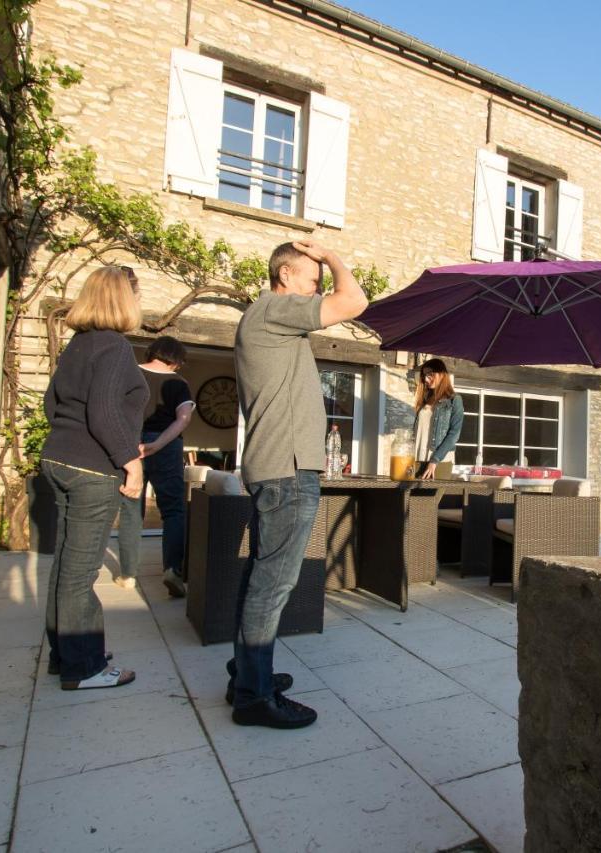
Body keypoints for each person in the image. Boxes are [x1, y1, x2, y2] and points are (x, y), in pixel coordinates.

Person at [229, 240, 367, 728]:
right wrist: (332, 254)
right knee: (273, 584)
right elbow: (353, 302)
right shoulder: (273, 309)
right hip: (286, 471)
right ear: (285, 275)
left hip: (280, 468)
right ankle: (253, 696)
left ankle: (246, 673)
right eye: (312, 276)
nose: (319, 286)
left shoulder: (271, 319)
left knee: (260, 578)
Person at [39, 266, 147, 690]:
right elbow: (103, 412)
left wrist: (70, 441)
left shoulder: (78, 345)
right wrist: (130, 460)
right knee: (81, 571)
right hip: (91, 467)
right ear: (124, 300)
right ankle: (84, 668)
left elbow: (52, 403)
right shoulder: (115, 347)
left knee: (66, 563)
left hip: (60, 459)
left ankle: (64, 656)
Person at [115, 335, 195, 597]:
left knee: (131, 509)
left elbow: (115, 412)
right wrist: (159, 443)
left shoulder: (129, 375)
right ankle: (172, 570)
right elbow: (183, 419)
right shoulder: (178, 383)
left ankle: (127, 574)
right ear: (177, 360)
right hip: (166, 447)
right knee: (173, 510)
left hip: (129, 444)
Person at [412, 358, 464, 480]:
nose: (426, 379)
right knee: (413, 497)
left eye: (430, 375)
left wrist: (434, 460)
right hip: (418, 458)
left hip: (439, 461)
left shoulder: (454, 400)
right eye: (424, 376)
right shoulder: (425, 401)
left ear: (441, 375)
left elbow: (454, 434)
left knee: (432, 497)